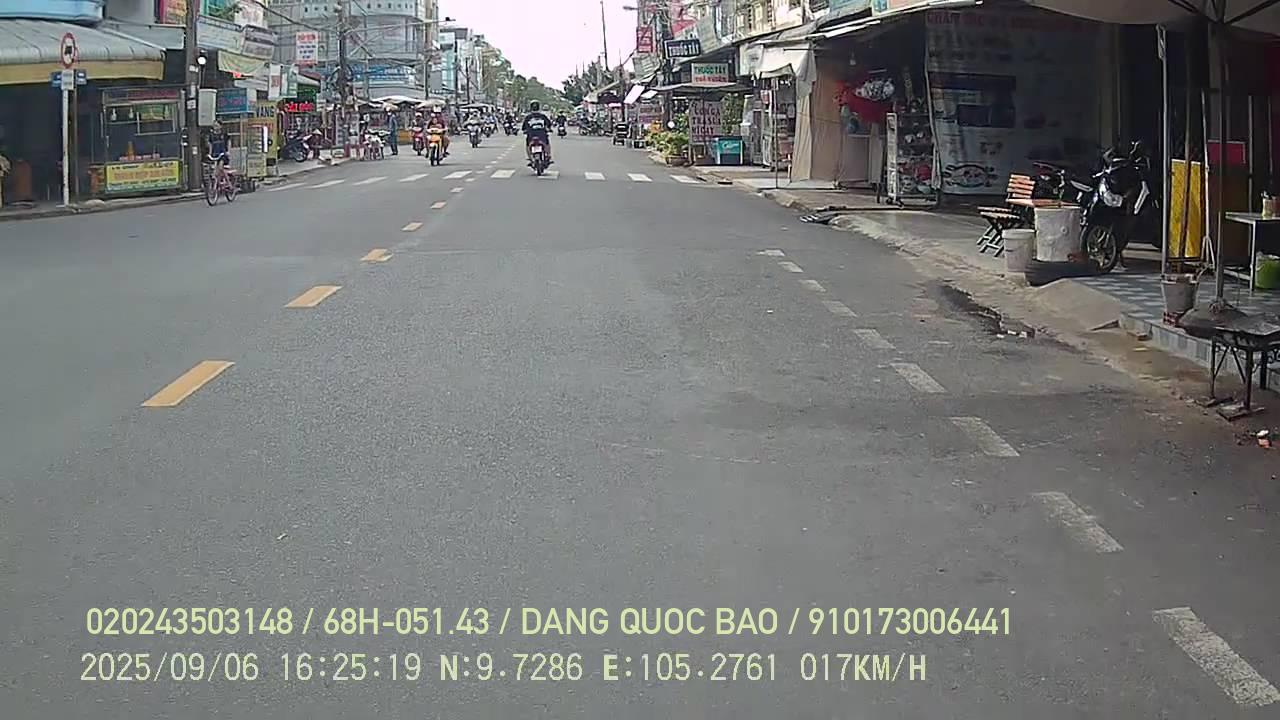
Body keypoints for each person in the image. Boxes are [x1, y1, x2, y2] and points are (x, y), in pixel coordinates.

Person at [521, 100, 553, 166]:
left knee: (528, 146)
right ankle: (548, 156)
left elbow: (523, 127)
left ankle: (530, 158)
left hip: (531, 136)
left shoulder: (528, 117)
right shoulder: (543, 116)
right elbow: (549, 124)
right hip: (542, 135)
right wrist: (548, 129)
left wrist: (525, 131)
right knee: (547, 144)